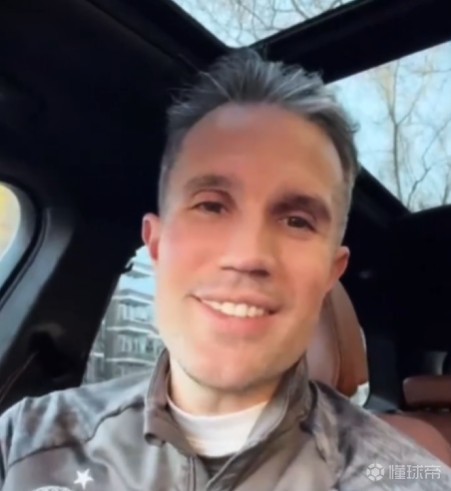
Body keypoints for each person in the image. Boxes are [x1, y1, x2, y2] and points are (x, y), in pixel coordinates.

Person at [0, 49, 450, 491]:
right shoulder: (26, 440)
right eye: (211, 206)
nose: (248, 255)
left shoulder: (408, 481)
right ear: (156, 244)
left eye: (297, 221)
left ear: (331, 275)